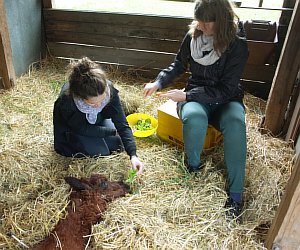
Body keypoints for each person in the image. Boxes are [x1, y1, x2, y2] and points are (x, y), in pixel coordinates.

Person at [144, 0, 248, 220]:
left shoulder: (237, 44)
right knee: (194, 117)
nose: (199, 25)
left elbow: (226, 88)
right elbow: (178, 64)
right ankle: (193, 167)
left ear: (220, 20)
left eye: (204, 22)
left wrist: (187, 96)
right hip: (197, 94)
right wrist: (158, 82)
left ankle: (236, 194)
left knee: (236, 123)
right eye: (197, 20)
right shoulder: (194, 36)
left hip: (226, 99)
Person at [53, 57, 144, 175]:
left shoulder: (108, 91)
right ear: (81, 97)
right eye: (92, 103)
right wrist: (111, 132)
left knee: (118, 145)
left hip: (96, 121)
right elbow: (82, 128)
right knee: (102, 152)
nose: (99, 106)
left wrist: (133, 155)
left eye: (102, 101)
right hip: (74, 131)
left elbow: (122, 123)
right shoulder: (68, 102)